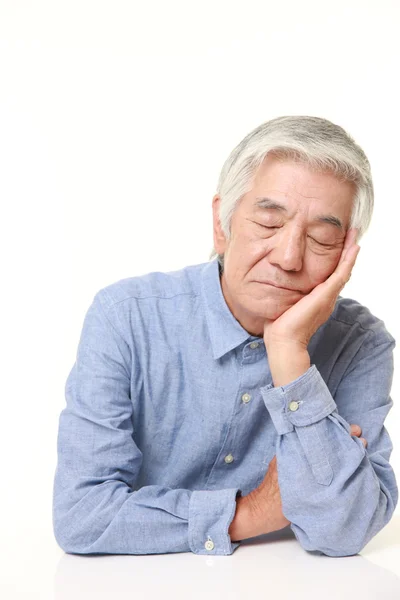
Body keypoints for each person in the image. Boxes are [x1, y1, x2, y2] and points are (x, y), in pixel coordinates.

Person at [52, 115, 397, 557]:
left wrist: (289, 352)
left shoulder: (362, 344)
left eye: (322, 238)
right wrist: (252, 513)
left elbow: (346, 529)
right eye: (269, 225)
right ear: (222, 223)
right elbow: (82, 516)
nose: (289, 258)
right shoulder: (126, 317)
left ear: (347, 257)